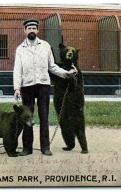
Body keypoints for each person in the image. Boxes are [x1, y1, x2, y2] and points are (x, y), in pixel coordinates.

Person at [13, 18, 77, 156]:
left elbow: (52, 67)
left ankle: (45, 148)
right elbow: (17, 70)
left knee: (44, 117)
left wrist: (66, 74)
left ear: (37, 30)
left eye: (34, 28)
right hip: (27, 87)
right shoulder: (20, 49)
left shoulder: (45, 46)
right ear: (24, 30)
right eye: (29, 28)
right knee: (27, 118)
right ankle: (27, 149)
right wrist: (17, 88)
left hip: (43, 86)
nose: (31, 31)